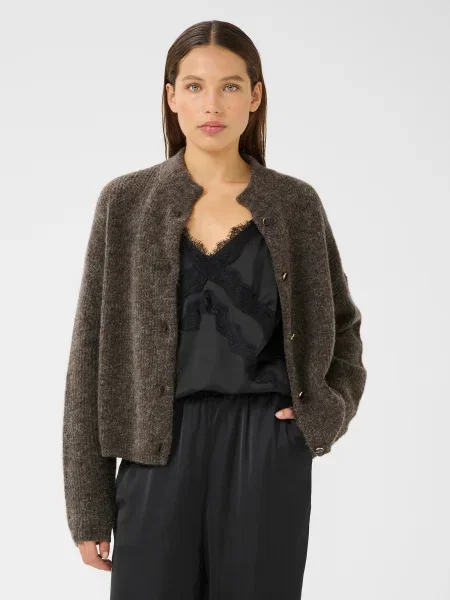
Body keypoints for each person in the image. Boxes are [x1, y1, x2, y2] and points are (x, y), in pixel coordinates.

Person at [62, 20, 367, 600]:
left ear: (255, 96)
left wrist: (324, 412)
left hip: (265, 448)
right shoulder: (125, 203)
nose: (212, 104)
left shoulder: (294, 204)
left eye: (230, 86)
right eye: (195, 86)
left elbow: (343, 326)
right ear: (171, 96)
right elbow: (90, 352)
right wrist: (88, 505)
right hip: (155, 450)